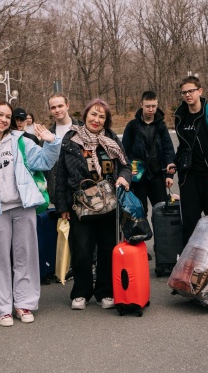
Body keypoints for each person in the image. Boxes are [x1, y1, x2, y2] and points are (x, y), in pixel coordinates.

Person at [0, 100, 60, 326]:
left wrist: (51, 142)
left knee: (26, 257)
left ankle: (24, 303)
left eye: (8, 117)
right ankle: (3, 308)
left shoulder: (21, 142)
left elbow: (45, 161)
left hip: (23, 208)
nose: (4, 120)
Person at [55, 98, 131, 310]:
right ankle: (81, 292)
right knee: (81, 250)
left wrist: (124, 177)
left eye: (101, 116)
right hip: (81, 205)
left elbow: (125, 165)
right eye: (93, 114)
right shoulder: (71, 139)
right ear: (86, 115)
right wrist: (62, 207)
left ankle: (105, 292)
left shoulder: (111, 139)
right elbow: (61, 174)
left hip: (109, 204)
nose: (96, 120)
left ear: (106, 120)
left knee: (107, 249)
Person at [166, 76, 208, 246]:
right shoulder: (181, 115)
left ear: (200, 91)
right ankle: (190, 259)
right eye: (184, 92)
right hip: (188, 177)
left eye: (191, 91)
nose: (187, 95)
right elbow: (183, 146)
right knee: (189, 223)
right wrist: (175, 161)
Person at [122, 91, 175, 216]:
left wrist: (169, 175)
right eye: (147, 106)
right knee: (139, 211)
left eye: (153, 106)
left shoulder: (161, 126)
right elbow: (124, 152)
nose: (151, 109)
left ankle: (161, 230)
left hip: (157, 175)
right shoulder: (132, 126)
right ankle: (142, 230)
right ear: (141, 105)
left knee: (161, 210)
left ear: (157, 105)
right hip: (138, 177)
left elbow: (168, 150)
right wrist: (127, 173)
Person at [47, 93, 82, 206]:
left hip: (82, 190)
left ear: (67, 105)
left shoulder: (82, 129)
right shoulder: (48, 134)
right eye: (53, 107)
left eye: (60, 106)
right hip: (59, 193)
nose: (57, 110)